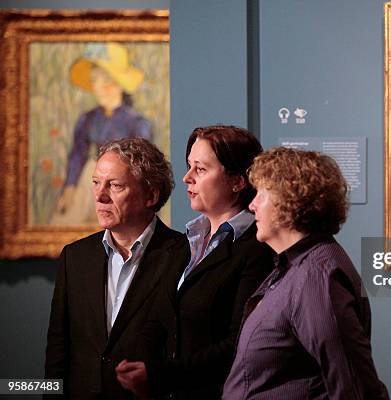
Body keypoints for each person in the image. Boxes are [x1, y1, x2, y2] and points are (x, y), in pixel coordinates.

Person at [115, 126, 275, 399]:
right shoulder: (187, 242)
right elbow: (161, 317)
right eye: (189, 166)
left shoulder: (257, 250)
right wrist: (138, 366)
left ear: (237, 181)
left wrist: (161, 375)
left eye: (200, 169)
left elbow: (238, 343)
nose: (187, 178)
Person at [222, 147, 389, 400]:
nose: (252, 205)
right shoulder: (294, 267)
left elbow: (355, 388)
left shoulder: (316, 278)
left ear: (288, 199)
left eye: (261, 194)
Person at [45, 138, 183, 399]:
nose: (99, 195)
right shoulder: (74, 257)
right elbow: (57, 355)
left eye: (115, 185)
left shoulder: (183, 256)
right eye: (96, 183)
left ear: (151, 195)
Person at [52, 42, 153, 225]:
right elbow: (77, 154)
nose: (100, 87)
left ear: (120, 85)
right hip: (91, 180)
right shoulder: (87, 119)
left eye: (106, 80)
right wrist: (70, 187)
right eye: (95, 80)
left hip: (125, 184)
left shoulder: (136, 123)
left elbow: (143, 165)